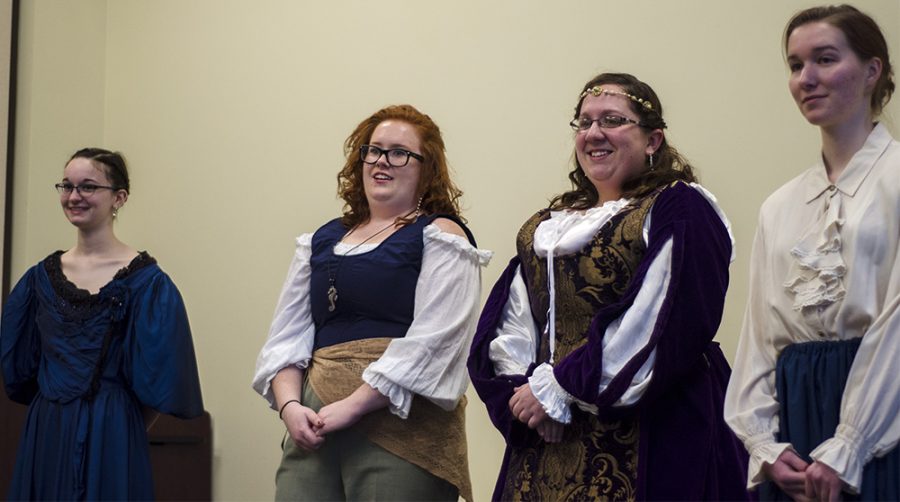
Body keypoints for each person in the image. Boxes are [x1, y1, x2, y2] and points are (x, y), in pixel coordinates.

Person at [468, 72, 750, 500]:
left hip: (654, 420)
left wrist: (560, 386)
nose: (594, 133)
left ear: (653, 140)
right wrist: (524, 395)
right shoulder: (550, 224)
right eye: (584, 122)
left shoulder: (679, 206)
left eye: (613, 120)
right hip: (550, 432)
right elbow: (513, 318)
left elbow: (666, 316)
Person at [252, 104, 490, 501]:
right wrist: (290, 406)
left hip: (400, 424)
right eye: (373, 150)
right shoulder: (322, 240)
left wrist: (356, 405)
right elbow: (286, 337)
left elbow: (437, 341)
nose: (382, 162)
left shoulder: (440, 235)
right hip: (313, 422)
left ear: (426, 167)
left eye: (399, 153)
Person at [724, 5, 899, 501]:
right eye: (796, 65)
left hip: (882, 418)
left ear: (872, 70)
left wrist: (852, 443)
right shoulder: (780, 205)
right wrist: (764, 444)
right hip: (793, 425)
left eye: (824, 59)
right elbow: (759, 335)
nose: (807, 78)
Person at [1, 148, 204, 500]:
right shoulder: (39, 279)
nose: (74, 196)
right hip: (47, 432)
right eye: (67, 186)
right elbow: (20, 369)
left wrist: (118, 428)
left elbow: (162, 377)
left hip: (113, 434)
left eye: (88, 186)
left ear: (119, 198)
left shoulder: (149, 284)